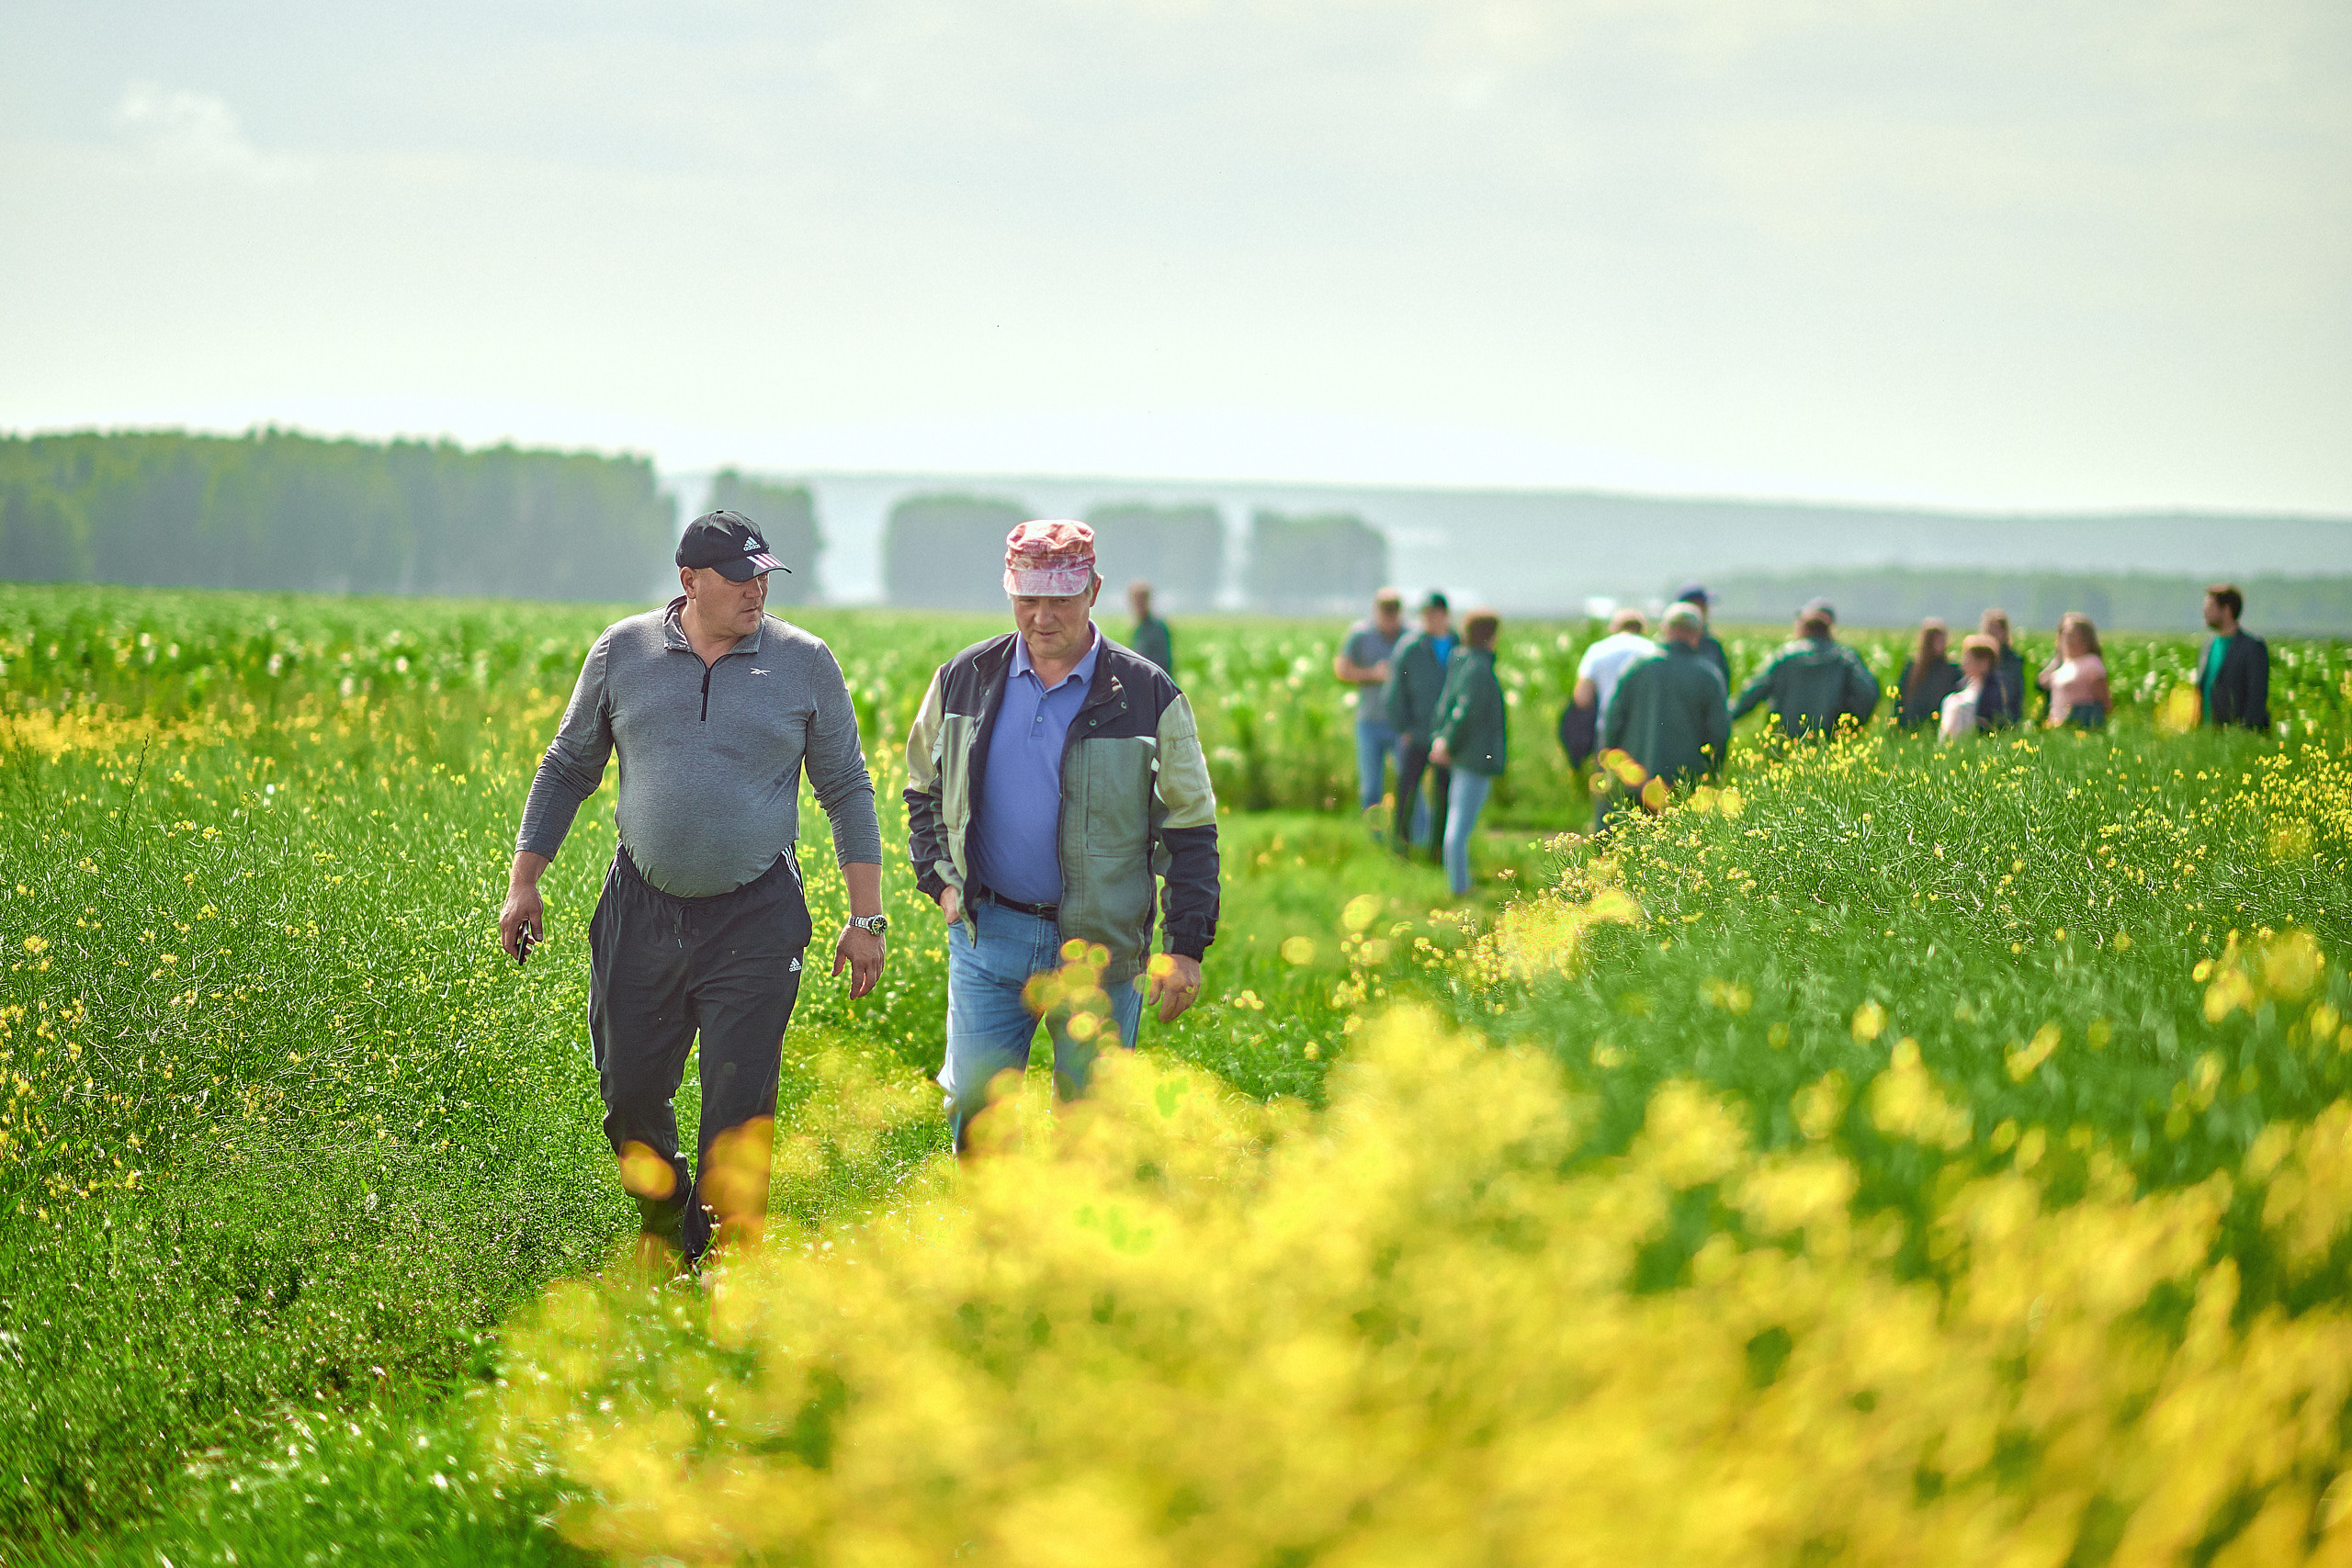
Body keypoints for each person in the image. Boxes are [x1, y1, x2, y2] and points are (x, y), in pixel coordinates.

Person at [502, 510, 888, 1270]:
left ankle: (726, 1275)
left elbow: (846, 786)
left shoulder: (805, 662)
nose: (756, 594)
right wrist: (525, 883)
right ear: (690, 581)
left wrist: (865, 916)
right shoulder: (623, 651)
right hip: (641, 910)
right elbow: (568, 767)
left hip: (757, 915)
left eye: (764, 578)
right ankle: (667, 1209)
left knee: (738, 1111)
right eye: (741, 579)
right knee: (631, 1099)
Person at [903, 521, 1219, 1151]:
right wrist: (939, 882)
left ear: (1094, 590)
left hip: (1101, 949)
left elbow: (1191, 825)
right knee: (980, 1124)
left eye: (1060, 599)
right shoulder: (965, 677)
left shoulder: (1147, 693)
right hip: (989, 939)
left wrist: (1187, 944)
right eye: (1028, 597)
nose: (1042, 616)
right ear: (1009, 592)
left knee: (1089, 1135)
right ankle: (992, 1246)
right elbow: (922, 788)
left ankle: (1072, 1251)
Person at [1601, 603, 1731, 818]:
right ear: (1697, 633)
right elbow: (1719, 733)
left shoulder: (1637, 667)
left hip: (1636, 779)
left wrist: (1615, 766)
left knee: (1635, 844)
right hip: (1687, 785)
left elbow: (1613, 720)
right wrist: (1713, 777)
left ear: (1664, 629)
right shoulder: (1708, 676)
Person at [1427, 609, 1507, 897]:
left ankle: (1459, 883)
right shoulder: (1478, 668)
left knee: (1457, 823)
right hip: (1473, 757)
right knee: (1459, 827)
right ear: (1491, 636)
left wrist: (1445, 741)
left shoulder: (1465, 662)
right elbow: (1465, 712)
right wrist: (1447, 743)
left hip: (1467, 755)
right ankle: (1459, 888)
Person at [1730, 600, 1882, 739]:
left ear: (1803, 627)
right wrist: (1848, 728)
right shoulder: (1844, 658)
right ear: (1829, 629)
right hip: (1829, 745)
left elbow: (1751, 693)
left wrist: (1724, 717)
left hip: (1784, 744)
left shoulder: (1784, 657)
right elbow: (1868, 693)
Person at [1334, 588, 1416, 830]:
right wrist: (1374, 674)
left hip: (1401, 723)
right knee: (1371, 787)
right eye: (1385, 613)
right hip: (1369, 722)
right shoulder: (1360, 635)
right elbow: (1342, 670)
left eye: (1393, 613)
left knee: (1410, 784)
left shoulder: (1411, 636)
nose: (1389, 620)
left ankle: (1412, 835)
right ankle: (1374, 834)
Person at [1384, 592, 1455, 861]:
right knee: (1407, 792)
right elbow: (1395, 692)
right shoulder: (1410, 647)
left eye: (1434, 614)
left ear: (1445, 615)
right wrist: (1403, 727)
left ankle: (1438, 850)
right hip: (1416, 733)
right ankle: (1401, 844)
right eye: (1425, 614)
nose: (1430, 619)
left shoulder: (1459, 645)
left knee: (1444, 796)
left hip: (1448, 737)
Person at [2200, 583, 2271, 731]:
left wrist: (2244, 736)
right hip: (2209, 738)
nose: (2204, 612)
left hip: (2237, 738)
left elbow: (2256, 700)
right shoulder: (2209, 645)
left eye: (2210, 607)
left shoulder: (2252, 647)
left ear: (2226, 610)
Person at [1574, 609, 1657, 732]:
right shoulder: (1653, 651)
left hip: (1607, 727)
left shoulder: (1597, 650)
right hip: (1645, 731)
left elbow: (1582, 698)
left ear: (1614, 628)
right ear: (1642, 628)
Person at [2038, 614, 2110, 728]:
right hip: (2057, 725)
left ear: (2085, 638)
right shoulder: (2063, 663)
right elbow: (2043, 681)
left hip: (2080, 725)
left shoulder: (2092, 664)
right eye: (2064, 634)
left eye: (2073, 635)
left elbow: (2104, 702)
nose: (2068, 639)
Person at [1894, 618, 1962, 729]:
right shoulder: (1912, 666)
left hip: (1939, 724)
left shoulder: (1952, 669)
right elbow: (1901, 698)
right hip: (1913, 723)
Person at [1938, 635, 2000, 741]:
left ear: (1984, 663)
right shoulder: (1963, 685)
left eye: (1969, 659)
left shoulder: (1993, 690)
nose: (1963, 663)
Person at [1977, 609, 2026, 728]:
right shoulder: (1977, 657)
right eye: (1988, 630)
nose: (1990, 635)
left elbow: (2015, 694)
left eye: (1995, 630)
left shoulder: (2013, 660)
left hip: (2005, 719)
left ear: (2004, 633)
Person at [1675, 583, 1732, 686]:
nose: (1707, 612)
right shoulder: (1669, 646)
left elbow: (1723, 680)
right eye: (1703, 606)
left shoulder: (1712, 644)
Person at [1126, 581, 1174, 676]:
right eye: (1135, 601)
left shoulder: (1158, 628)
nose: (1137, 605)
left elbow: (1164, 663)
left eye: (1141, 600)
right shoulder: (1138, 629)